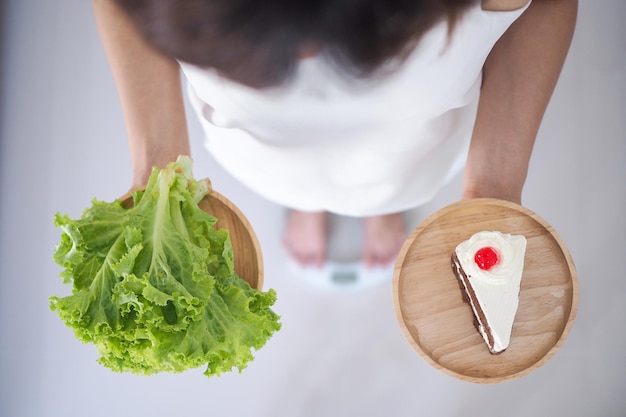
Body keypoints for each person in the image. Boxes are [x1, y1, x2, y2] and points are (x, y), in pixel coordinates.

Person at [92, 0, 577, 269]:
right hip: (257, 144)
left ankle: (383, 206)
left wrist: (494, 186)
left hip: (414, 145)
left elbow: (542, 6)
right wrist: (157, 161)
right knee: (289, 171)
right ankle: (309, 201)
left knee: (396, 168)